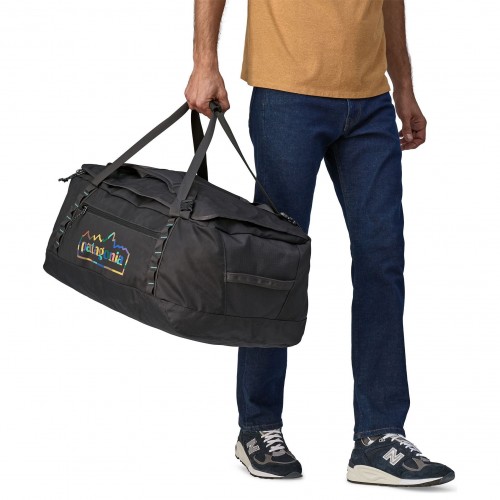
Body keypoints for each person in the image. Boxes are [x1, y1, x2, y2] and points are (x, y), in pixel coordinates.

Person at [185, 0, 454, 487]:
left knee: (382, 261)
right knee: (272, 264)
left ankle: (379, 437)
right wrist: (205, 63)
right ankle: (258, 426)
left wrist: (404, 88)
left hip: (371, 102)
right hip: (286, 96)